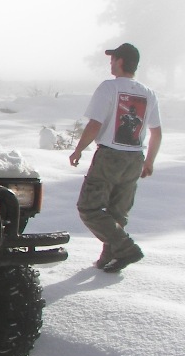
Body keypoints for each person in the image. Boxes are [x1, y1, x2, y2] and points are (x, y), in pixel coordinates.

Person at [69, 43, 162, 273]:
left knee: (89, 208)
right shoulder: (148, 93)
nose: (110, 63)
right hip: (135, 158)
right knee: (117, 213)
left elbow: (95, 124)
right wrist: (149, 161)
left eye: (113, 59)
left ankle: (125, 248)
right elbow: (156, 132)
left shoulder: (108, 88)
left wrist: (79, 149)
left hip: (110, 156)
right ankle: (109, 256)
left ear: (120, 61)